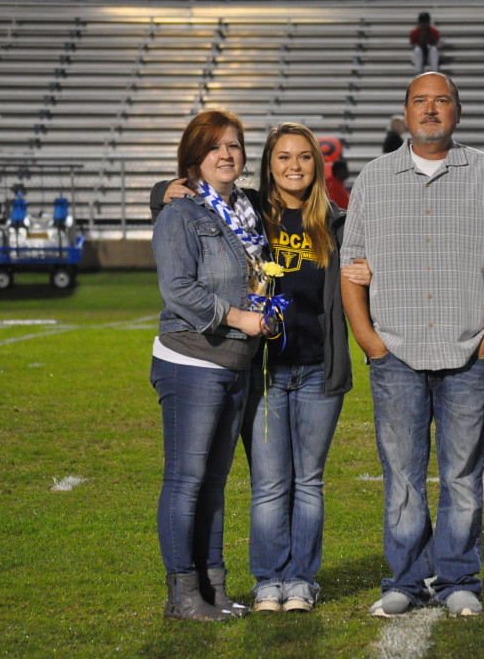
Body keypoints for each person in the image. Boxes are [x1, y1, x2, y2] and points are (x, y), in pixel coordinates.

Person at [151, 124, 370, 615]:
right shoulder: (247, 214)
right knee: (269, 483)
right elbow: (186, 202)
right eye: (283, 157)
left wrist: (370, 270)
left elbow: (367, 268)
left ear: (319, 165)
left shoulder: (338, 222)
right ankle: (269, 582)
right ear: (267, 166)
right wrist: (164, 187)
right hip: (262, 370)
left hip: (318, 369)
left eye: (305, 158)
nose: (294, 166)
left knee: (308, 482)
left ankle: (301, 582)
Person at [340, 72, 484, 619]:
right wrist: (371, 342)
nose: (430, 110)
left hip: (467, 350)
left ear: (458, 111)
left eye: (441, 101)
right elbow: (350, 268)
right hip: (395, 353)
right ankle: (403, 580)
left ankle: (458, 580)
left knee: (462, 473)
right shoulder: (375, 179)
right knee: (401, 475)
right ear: (404, 113)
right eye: (420, 102)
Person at [150, 109, 272, 622]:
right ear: (195, 156)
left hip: (236, 362)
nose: (227, 154)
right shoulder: (181, 213)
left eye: (235, 146)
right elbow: (177, 289)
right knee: (187, 479)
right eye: (215, 146)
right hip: (191, 358)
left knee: (215, 481)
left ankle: (213, 587)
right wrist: (237, 317)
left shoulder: (246, 210)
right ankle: (182, 594)